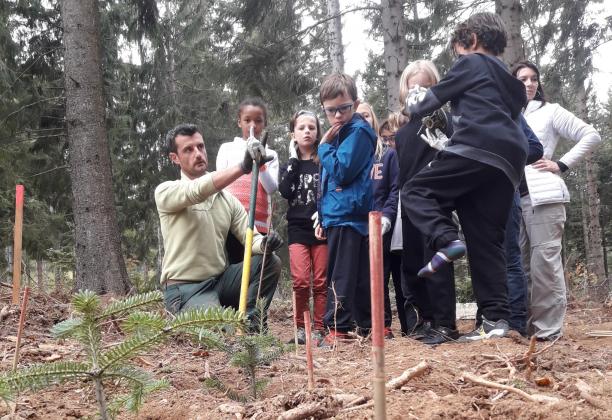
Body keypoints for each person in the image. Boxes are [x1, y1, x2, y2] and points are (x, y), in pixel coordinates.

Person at [402, 13, 529, 342]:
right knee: (487, 238)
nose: (457, 56)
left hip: (477, 146)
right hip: (508, 163)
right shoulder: (510, 82)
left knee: (416, 190)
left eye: (458, 49)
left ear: (471, 40)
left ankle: (446, 239)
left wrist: (414, 95)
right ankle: (495, 320)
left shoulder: (471, 63)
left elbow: (426, 102)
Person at [155, 123, 283, 332]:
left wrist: (266, 244)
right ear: (174, 158)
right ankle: (231, 328)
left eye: (200, 147)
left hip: (221, 282)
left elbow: (249, 237)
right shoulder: (166, 192)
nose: (198, 153)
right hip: (186, 290)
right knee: (222, 337)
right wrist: (242, 167)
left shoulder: (227, 200)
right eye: (188, 149)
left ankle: (252, 327)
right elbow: (196, 191)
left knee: (269, 262)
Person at [513, 61, 602, 340]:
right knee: (520, 266)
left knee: (544, 266)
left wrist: (561, 164)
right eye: (522, 79)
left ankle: (548, 332)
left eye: (533, 79)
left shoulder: (550, 112)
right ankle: (525, 329)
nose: (529, 83)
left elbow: (591, 134)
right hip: (514, 201)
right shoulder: (505, 115)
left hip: (545, 198)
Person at [395, 60, 457, 344]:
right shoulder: (403, 131)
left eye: (426, 86)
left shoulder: (444, 122)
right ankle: (427, 320)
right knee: (412, 266)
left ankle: (446, 323)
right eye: (413, 86)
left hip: (434, 204)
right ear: (405, 90)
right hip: (409, 208)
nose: (418, 91)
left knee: (438, 263)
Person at [315, 73, 377, 347]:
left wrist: (324, 148)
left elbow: (341, 171)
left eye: (344, 108)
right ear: (324, 108)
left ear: (356, 103)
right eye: (331, 110)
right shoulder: (341, 132)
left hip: (348, 215)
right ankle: (359, 327)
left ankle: (337, 329)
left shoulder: (359, 131)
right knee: (351, 273)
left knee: (341, 274)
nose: (338, 115)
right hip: (340, 214)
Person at [278, 110, 327, 344]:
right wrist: (294, 163)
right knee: (300, 281)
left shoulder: (324, 161)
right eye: (301, 127)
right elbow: (285, 191)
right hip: (297, 228)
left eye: (312, 127)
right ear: (293, 134)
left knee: (320, 281)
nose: (307, 131)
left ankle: (318, 329)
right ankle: (300, 329)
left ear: (318, 133)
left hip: (321, 228)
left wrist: (325, 215)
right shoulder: (289, 165)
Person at [356, 102, 402, 338]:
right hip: (355, 223)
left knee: (379, 274)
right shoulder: (352, 155)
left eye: (366, 115)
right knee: (358, 275)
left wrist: (387, 216)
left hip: (379, 222)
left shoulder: (387, 154)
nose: (362, 119)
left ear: (373, 119)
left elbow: (394, 189)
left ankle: (382, 324)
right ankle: (362, 323)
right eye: (358, 116)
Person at [216, 98, 279, 262]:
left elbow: (271, 188)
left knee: (259, 271)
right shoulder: (227, 148)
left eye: (258, 121)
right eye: (247, 120)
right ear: (239, 122)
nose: (253, 125)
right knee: (234, 268)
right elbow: (220, 183)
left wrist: (261, 163)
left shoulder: (271, 154)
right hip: (231, 223)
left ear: (264, 123)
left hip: (260, 225)